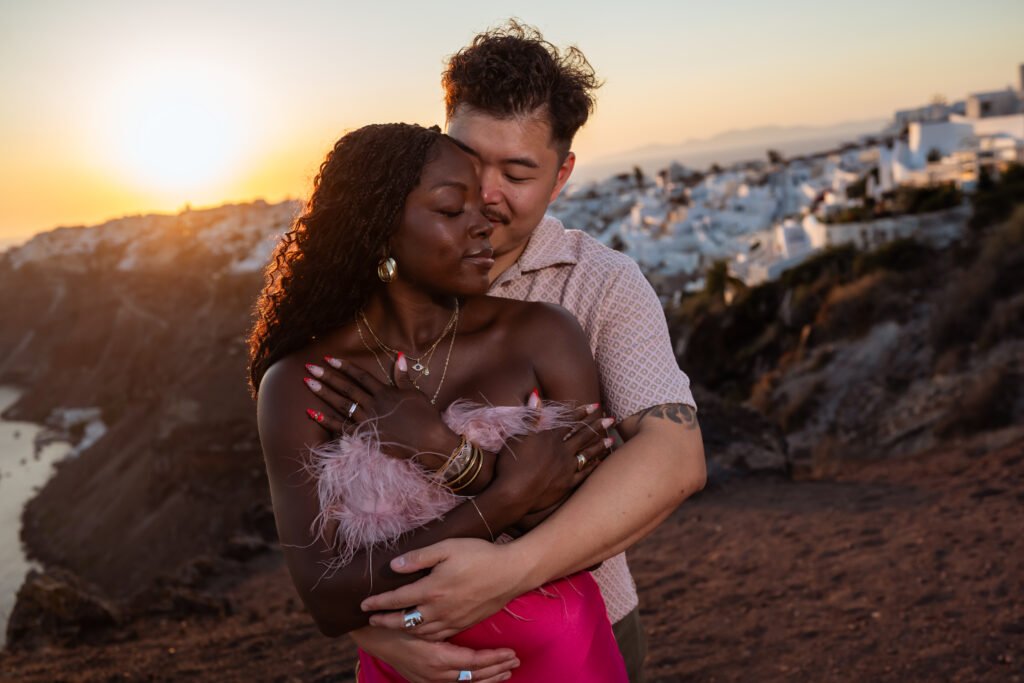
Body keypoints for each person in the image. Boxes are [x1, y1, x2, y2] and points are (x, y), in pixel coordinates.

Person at [300, 22, 706, 683]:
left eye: (516, 172)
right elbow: (308, 504)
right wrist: (382, 631)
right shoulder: (375, 289)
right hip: (409, 644)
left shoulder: (598, 283)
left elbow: (675, 457)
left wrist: (508, 571)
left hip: (578, 633)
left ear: (562, 175)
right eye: (466, 157)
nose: (483, 194)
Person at [251, 123, 629, 681]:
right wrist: (506, 497)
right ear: (379, 233)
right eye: (452, 211)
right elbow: (328, 600)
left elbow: (589, 539)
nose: (485, 225)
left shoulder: (543, 337)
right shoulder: (303, 382)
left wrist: (446, 455)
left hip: (567, 662)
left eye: (481, 207)